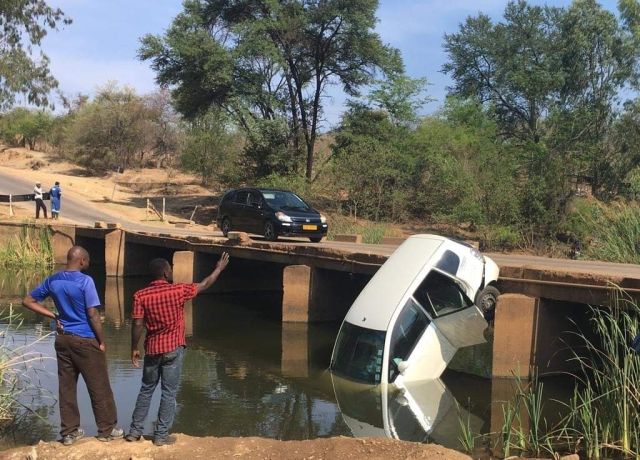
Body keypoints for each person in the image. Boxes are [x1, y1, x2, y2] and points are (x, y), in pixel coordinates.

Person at [22, 246, 123, 445]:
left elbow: (27, 300)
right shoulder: (86, 281)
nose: (87, 264)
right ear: (82, 261)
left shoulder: (53, 280)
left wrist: (54, 315)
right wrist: (102, 340)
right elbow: (93, 314)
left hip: (62, 339)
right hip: (85, 339)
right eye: (87, 261)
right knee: (99, 385)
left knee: (67, 387)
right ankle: (107, 430)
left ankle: (69, 433)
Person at [127, 252, 230, 446]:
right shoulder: (178, 291)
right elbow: (204, 284)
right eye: (170, 269)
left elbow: (138, 324)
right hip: (173, 348)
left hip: (152, 349)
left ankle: (134, 431)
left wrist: (134, 347)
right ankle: (161, 436)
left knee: (146, 389)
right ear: (165, 273)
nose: (172, 271)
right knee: (169, 392)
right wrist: (218, 268)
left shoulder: (140, 295)